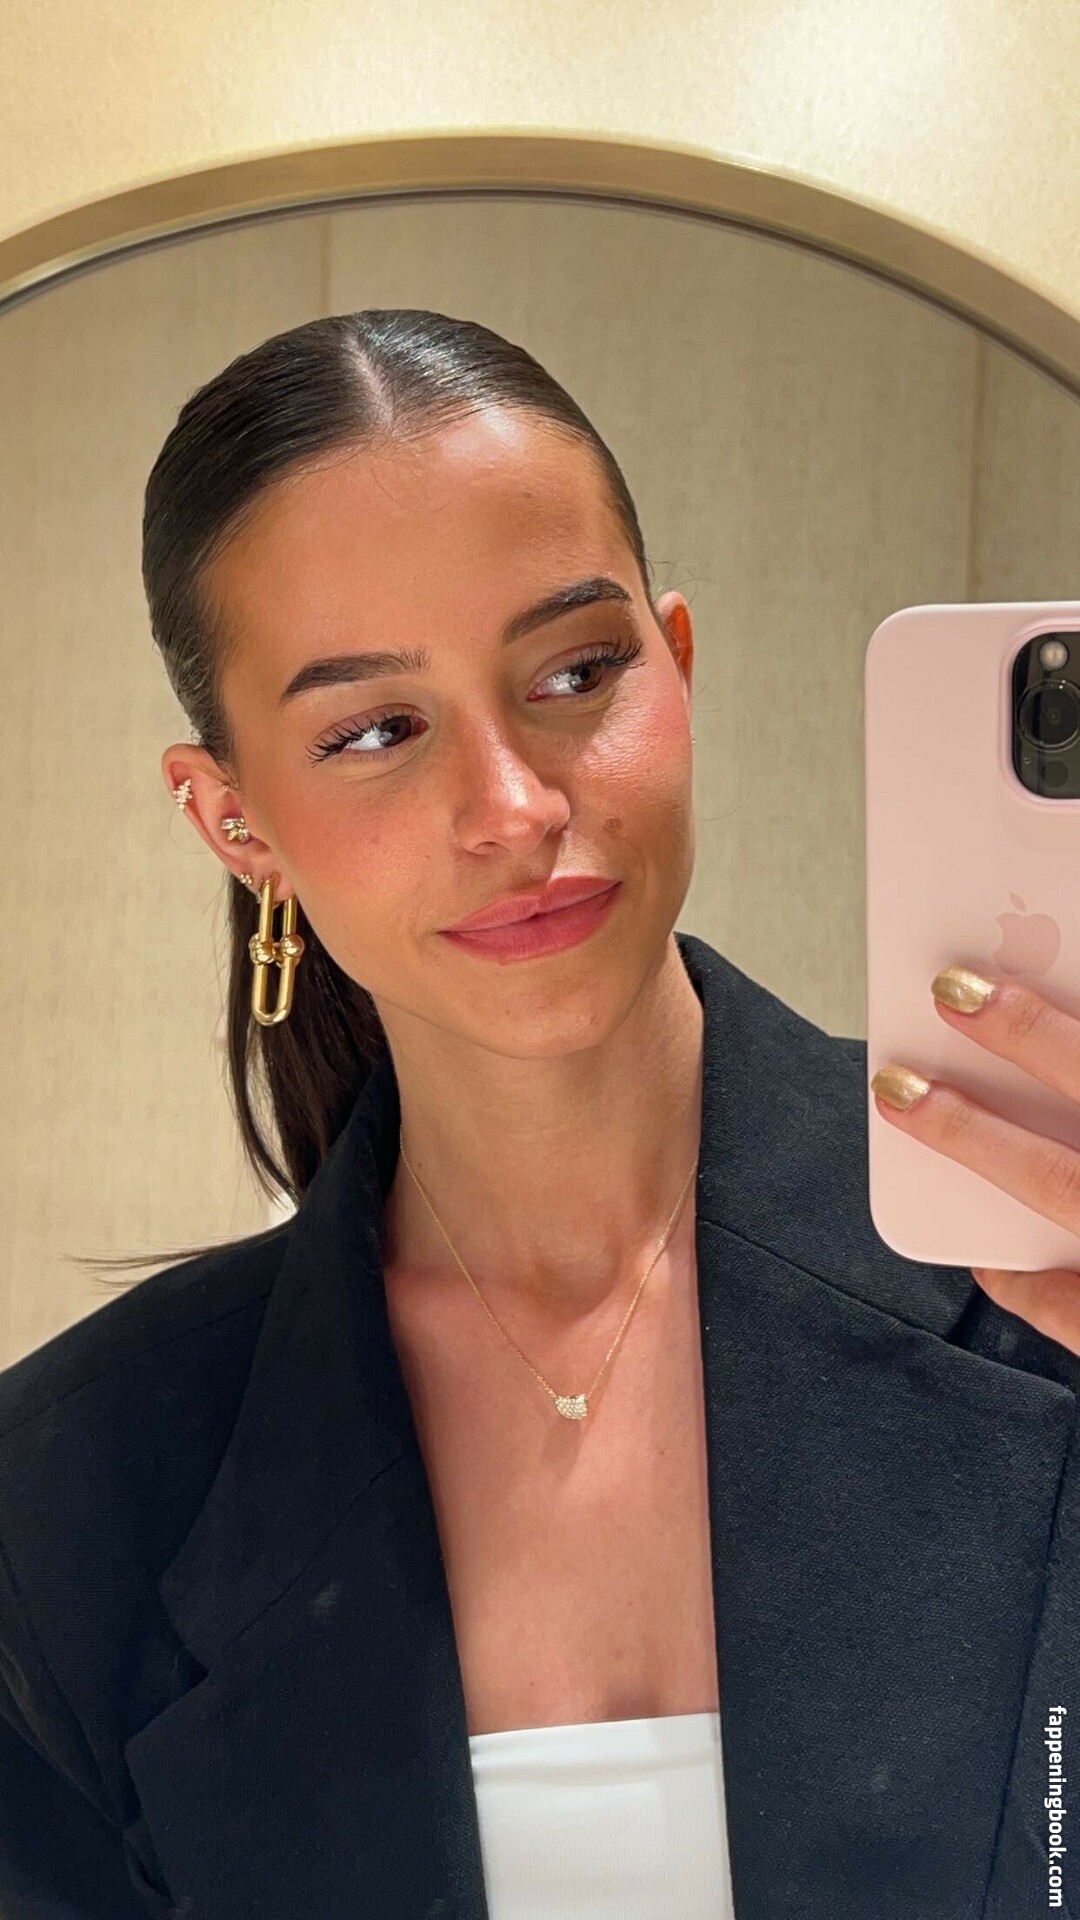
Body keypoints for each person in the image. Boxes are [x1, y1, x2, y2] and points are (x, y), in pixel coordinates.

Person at [0, 310, 1076, 1920]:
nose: (514, 806)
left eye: (578, 671)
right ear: (233, 823)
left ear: (680, 665)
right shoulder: (73, 1502)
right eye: (375, 730)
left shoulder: (1038, 1273)